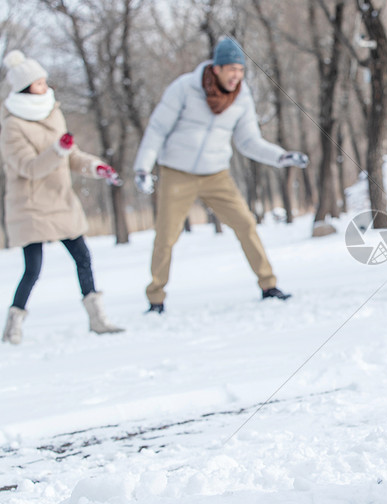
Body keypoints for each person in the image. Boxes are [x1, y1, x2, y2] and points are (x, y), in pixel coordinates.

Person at [132, 37, 309, 313]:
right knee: (166, 235)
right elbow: (157, 129)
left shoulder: (242, 97)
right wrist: (143, 167)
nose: (236, 76)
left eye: (240, 70)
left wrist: (280, 156)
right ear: (216, 68)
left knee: (245, 224)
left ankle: (268, 284)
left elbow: (249, 141)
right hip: (177, 172)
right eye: (231, 70)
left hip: (216, 174)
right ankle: (156, 298)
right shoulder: (185, 88)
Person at [1, 50, 124, 345]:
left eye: (44, 81)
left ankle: (97, 319)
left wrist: (97, 166)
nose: (46, 87)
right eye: (39, 83)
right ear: (24, 87)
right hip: (30, 205)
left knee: (83, 256)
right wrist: (58, 148)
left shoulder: (53, 112)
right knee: (33, 268)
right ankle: (13, 325)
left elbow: (72, 155)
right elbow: (29, 168)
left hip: (60, 200)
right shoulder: (11, 125)